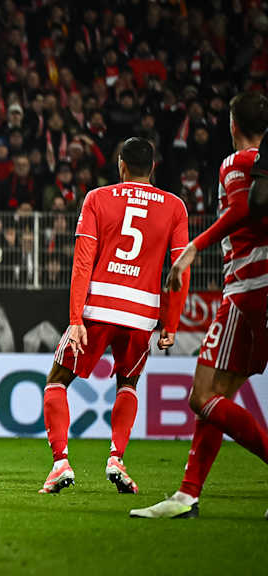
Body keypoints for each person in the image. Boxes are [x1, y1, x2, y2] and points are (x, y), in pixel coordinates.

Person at [131, 92, 268, 519]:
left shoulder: (239, 162)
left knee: (202, 395)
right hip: (255, 288)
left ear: (232, 124)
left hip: (248, 289)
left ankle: (186, 495)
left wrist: (193, 248)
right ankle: (187, 494)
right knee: (218, 397)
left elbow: (241, 210)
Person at [38, 137, 190, 494]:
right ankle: (116, 458)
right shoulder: (175, 206)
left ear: (121, 165)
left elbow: (83, 262)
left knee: (57, 380)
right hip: (142, 314)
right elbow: (180, 270)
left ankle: (61, 463)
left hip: (99, 309)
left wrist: (76, 318)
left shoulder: (97, 198)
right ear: (153, 167)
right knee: (128, 384)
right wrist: (171, 323)